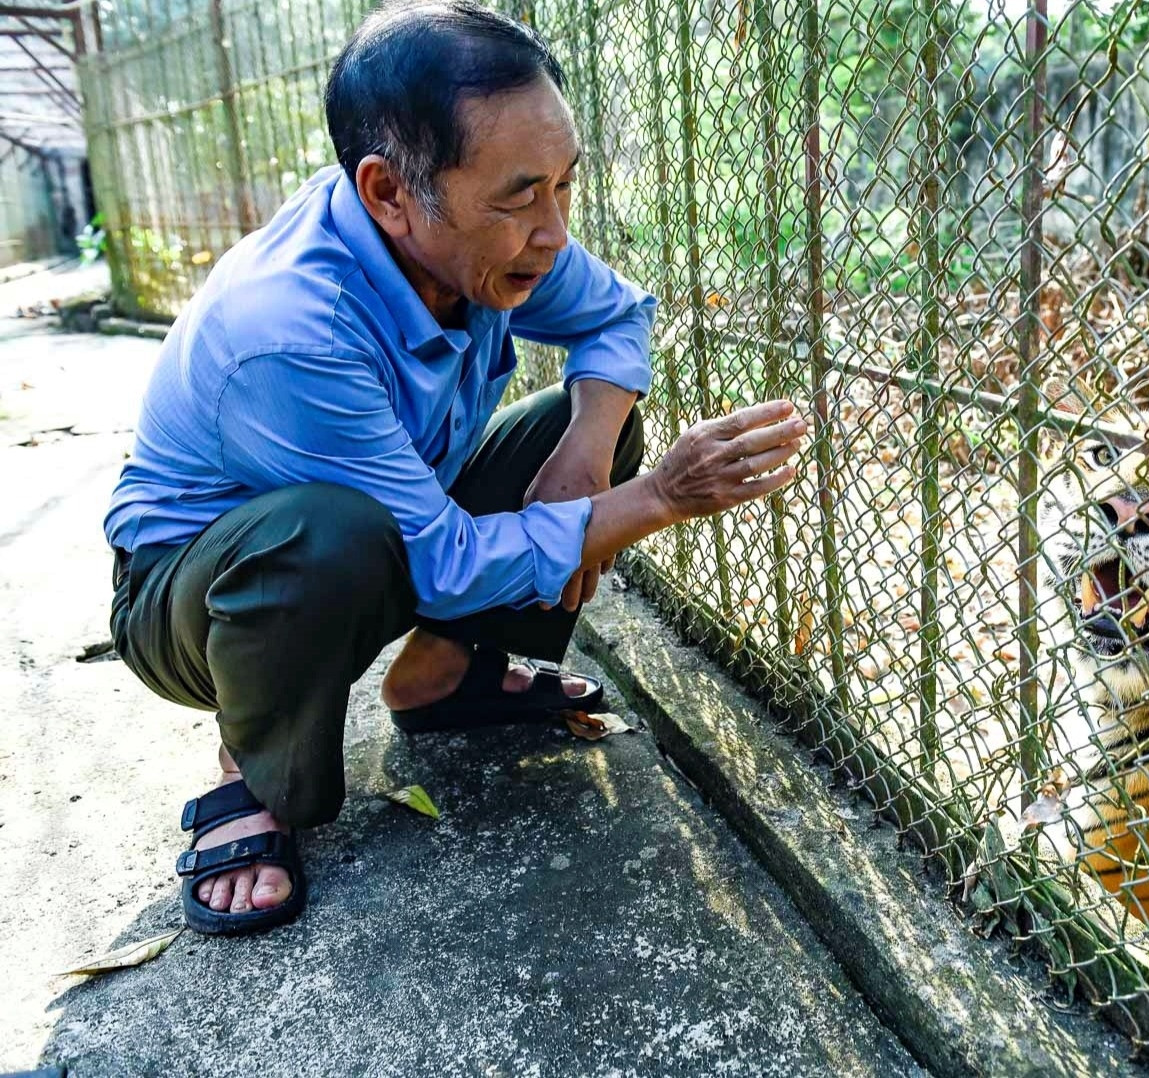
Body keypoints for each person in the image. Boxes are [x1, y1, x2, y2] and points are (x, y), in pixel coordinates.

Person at [104, 0, 803, 936]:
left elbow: (618, 316)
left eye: (564, 186)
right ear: (390, 191)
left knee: (584, 418)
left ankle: (437, 679)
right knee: (326, 535)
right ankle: (254, 770)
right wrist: (661, 497)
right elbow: (442, 562)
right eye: (519, 196)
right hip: (206, 599)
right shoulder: (288, 329)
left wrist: (590, 452)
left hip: (395, 525)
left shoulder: (471, 237)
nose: (553, 232)